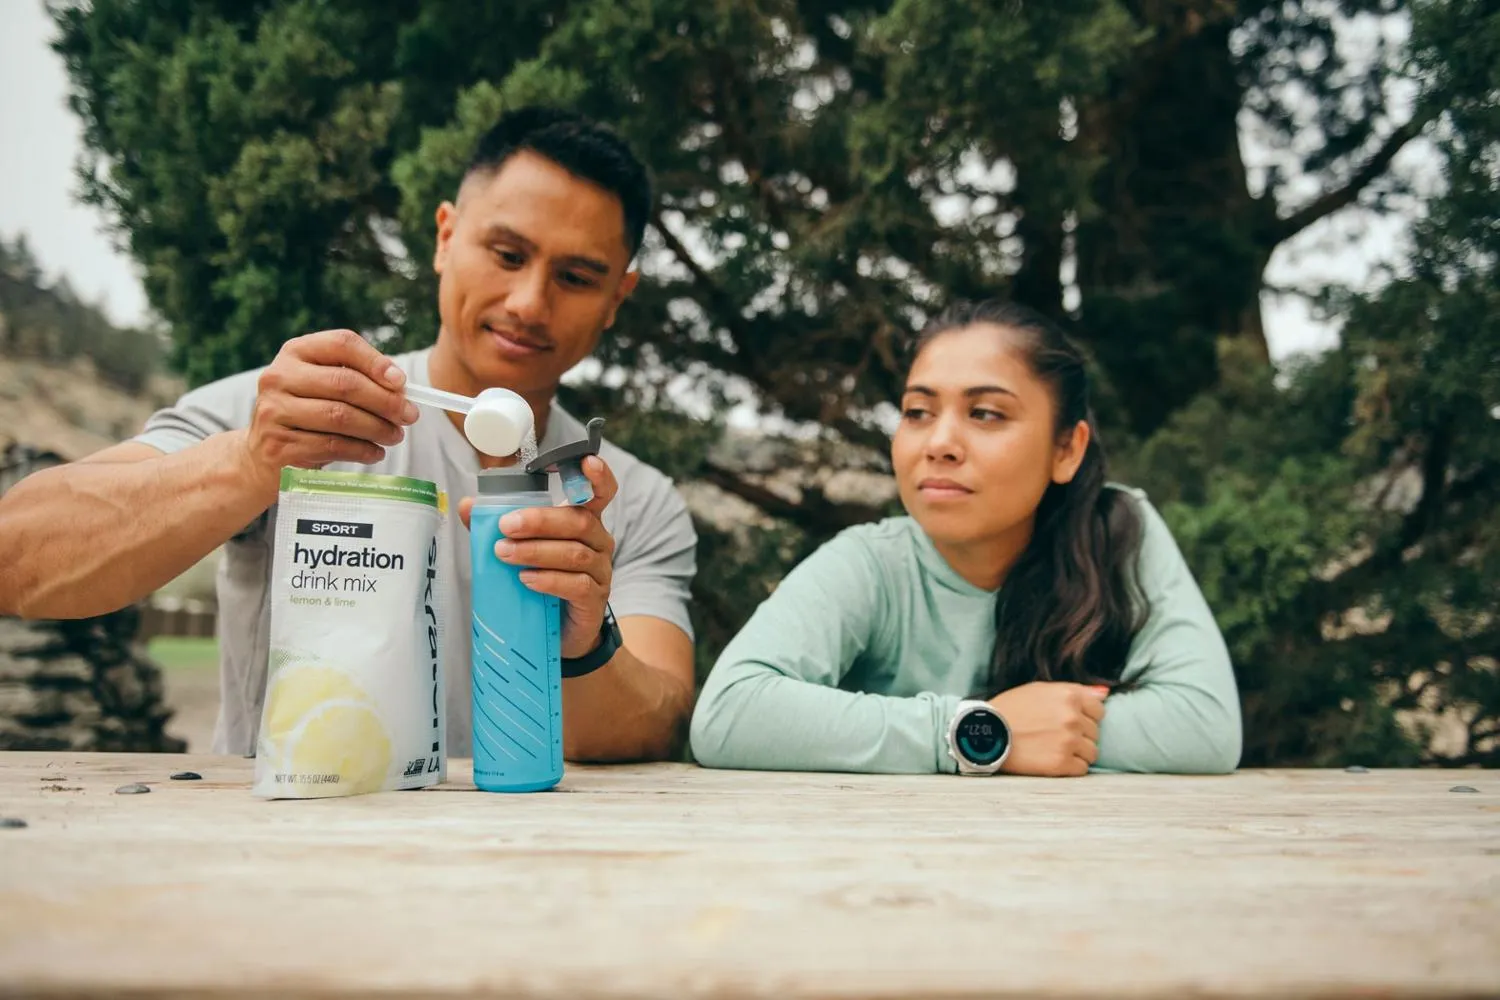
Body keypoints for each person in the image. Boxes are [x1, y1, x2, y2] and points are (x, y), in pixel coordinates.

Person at [0, 107, 697, 763]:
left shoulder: (630, 499)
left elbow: (657, 722)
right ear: (446, 237)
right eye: (508, 254)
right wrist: (249, 462)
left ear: (618, 299)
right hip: (290, 839)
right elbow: (18, 561)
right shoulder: (287, 412)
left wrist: (583, 646)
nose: (529, 303)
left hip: (526, 847)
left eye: (575, 277)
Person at [689, 300, 1241, 776]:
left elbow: (1204, 726)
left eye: (986, 413)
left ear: (1066, 450)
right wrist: (977, 732)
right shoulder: (870, 565)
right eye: (917, 412)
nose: (940, 443)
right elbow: (729, 713)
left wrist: (1031, 731)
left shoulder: (1117, 532)